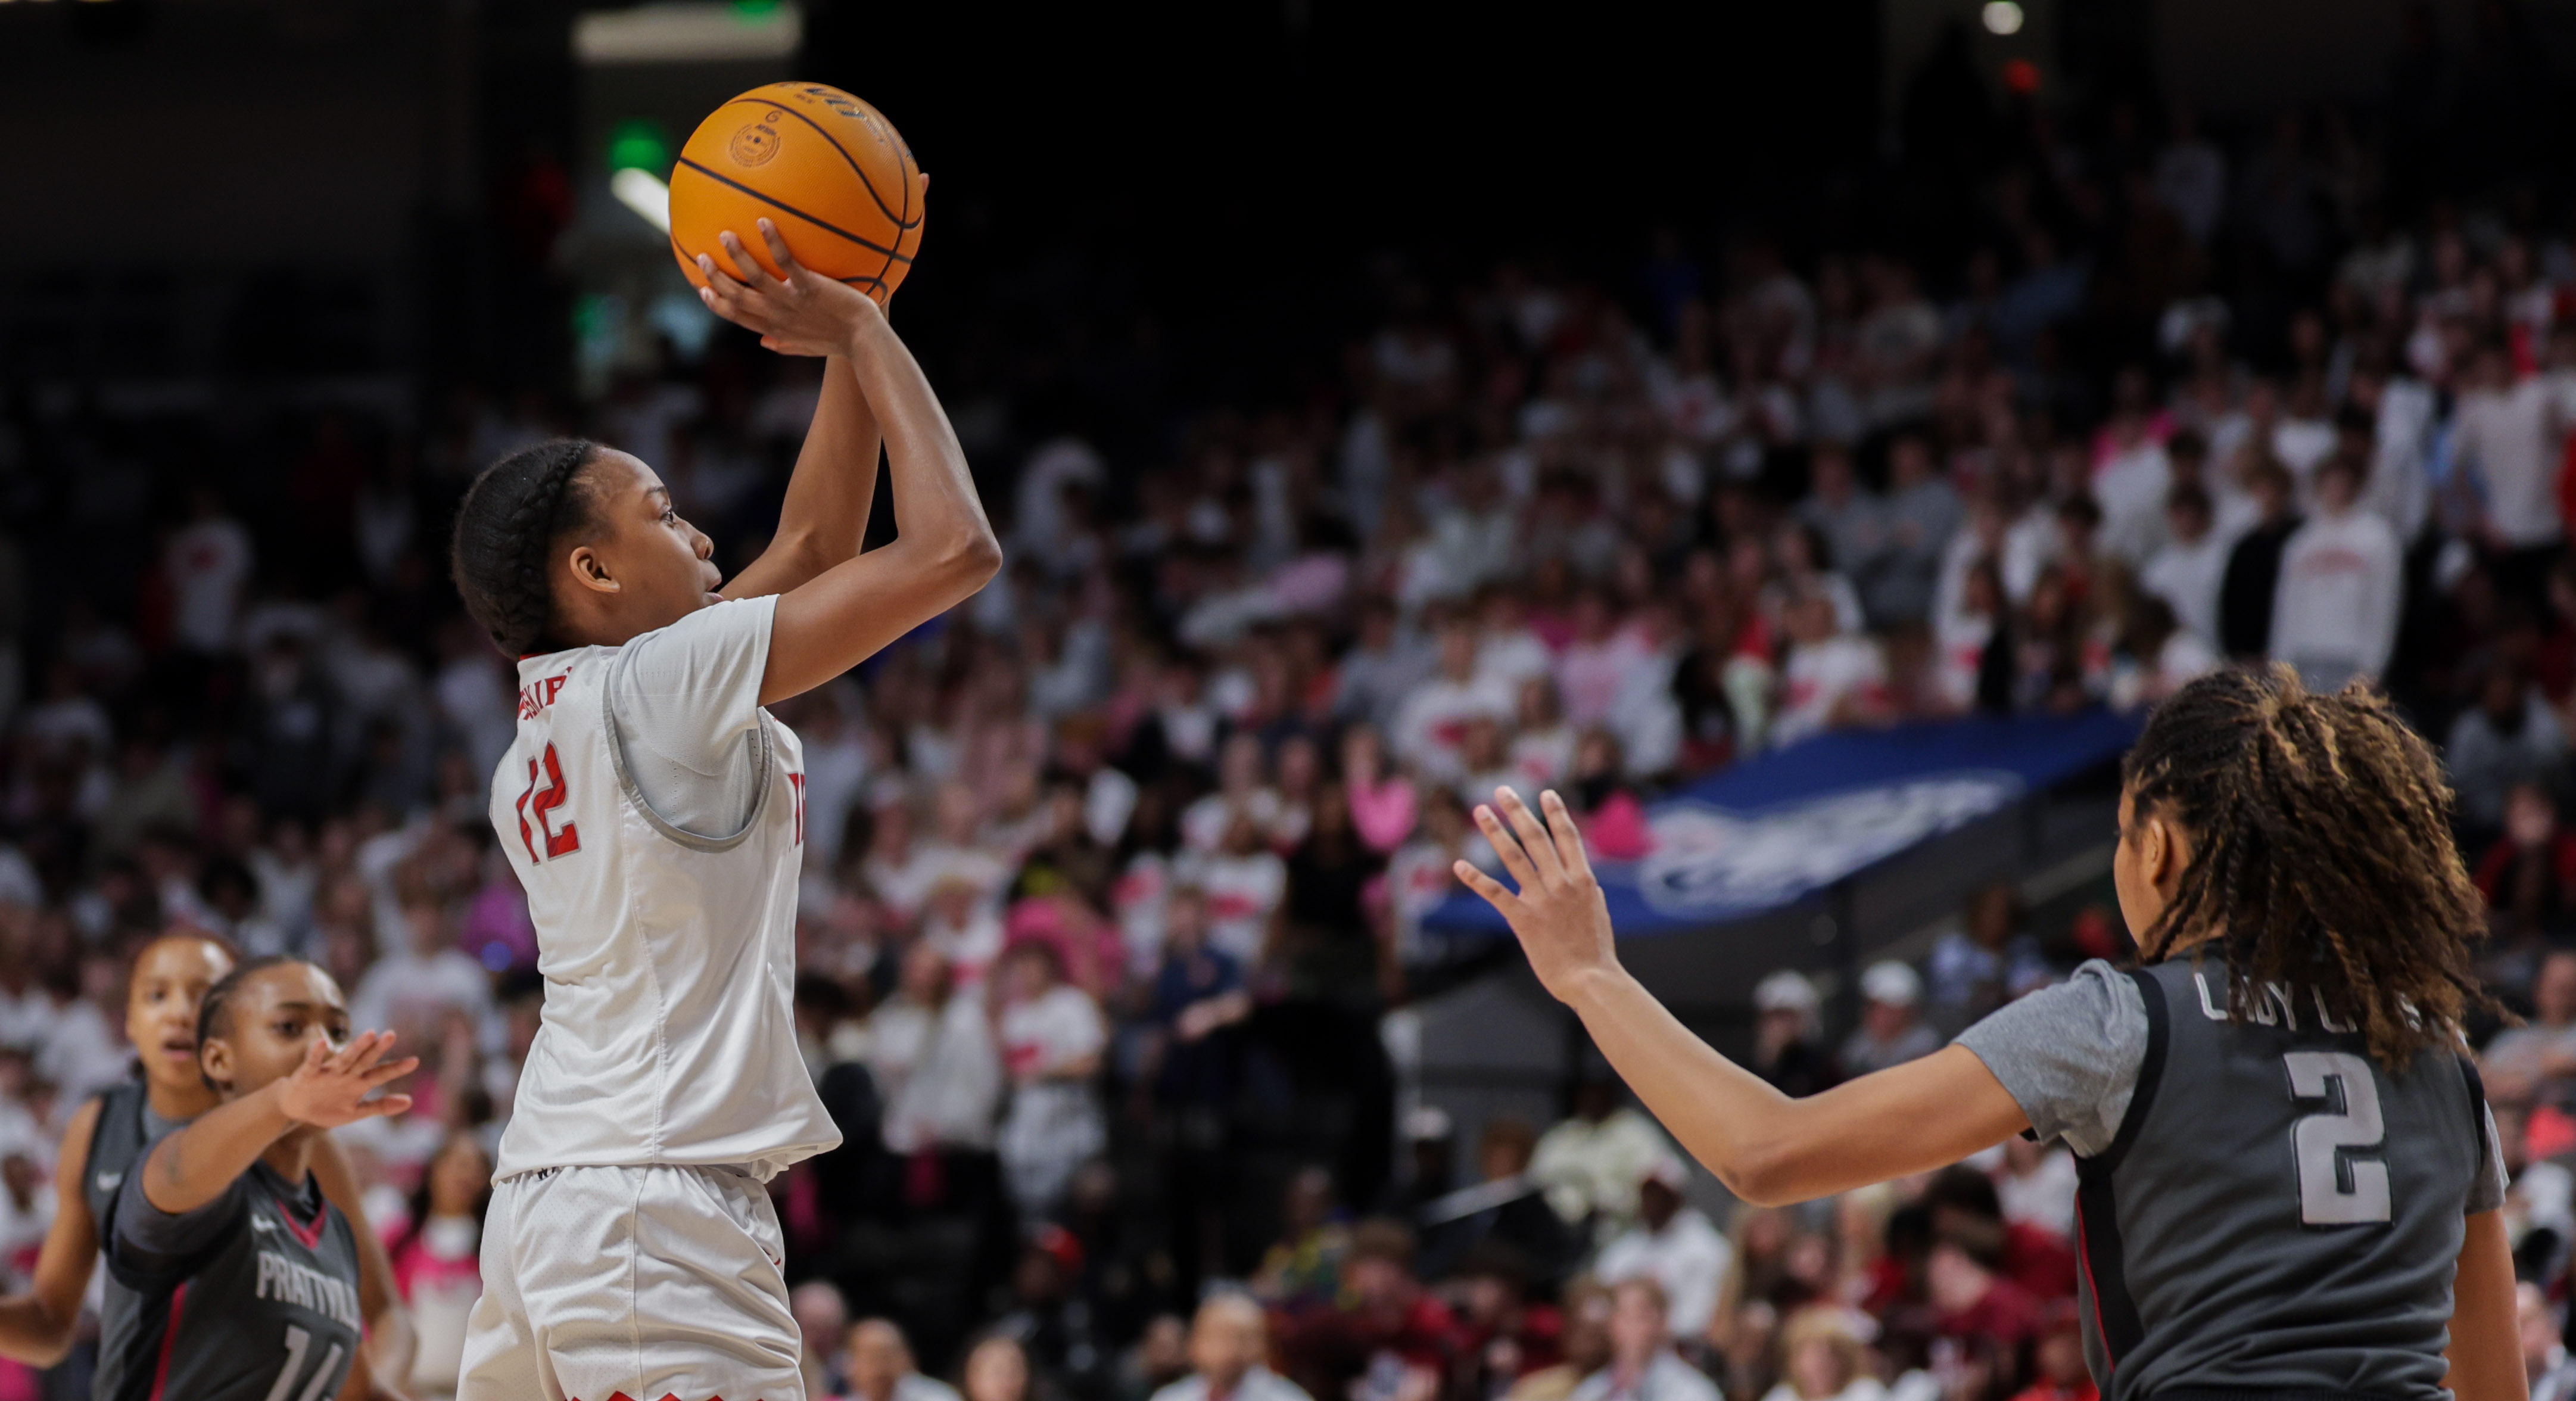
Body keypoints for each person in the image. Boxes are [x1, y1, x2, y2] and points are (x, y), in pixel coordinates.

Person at [1453, 665, 2520, 1401]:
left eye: (2116, 834)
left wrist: (1592, 976)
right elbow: (2494, 1386)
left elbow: (1766, 1151)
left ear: (2154, 847)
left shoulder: (2121, 1020)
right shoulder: (2441, 1058)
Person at [451, 210, 1002, 1401]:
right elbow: (954, 548)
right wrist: (858, 323)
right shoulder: (658, 683)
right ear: (591, 574)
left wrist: (865, 327)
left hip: (549, 1204)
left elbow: (810, 544)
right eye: (658, 513)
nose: (697, 529)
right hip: (656, 1212)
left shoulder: (564, 714)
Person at [0, 932, 406, 1379]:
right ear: (129, 1019)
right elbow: (51, 1323)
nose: (179, 1012)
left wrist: (379, 1387)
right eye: (157, 995)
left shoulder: (297, 1134)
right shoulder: (96, 1127)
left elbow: (385, 1313)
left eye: (204, 996)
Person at [102, 955, 419, 1400]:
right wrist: (284, 1102)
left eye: (338, 1031)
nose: (325, 1046)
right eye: (290, 1027)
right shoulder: (183, 1170)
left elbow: (361, 1389)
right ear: (217, 1059)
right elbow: (175, 1169)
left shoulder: (332, 1231)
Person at [393, 1130, 494, 1401]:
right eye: (456, 1164)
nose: (465, 1174)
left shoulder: (496, 1244)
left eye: (476, 1167)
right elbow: (379, 1316)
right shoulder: (399, 1241)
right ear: (432, 1172)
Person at [1591, 1154, 1732, 1338]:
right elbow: (1602, 1297)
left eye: (1660, 1194)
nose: (1652, 1200)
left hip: (1685, 1346)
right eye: (1647, 1193)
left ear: (1677, 1197)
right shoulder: (1624, 1248)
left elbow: (1701, 1316)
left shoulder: (1705, 1246)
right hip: (1624, 1343)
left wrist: (1650, 1329)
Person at [1565, 1277, 1720, 1401]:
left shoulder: (1692, 1390)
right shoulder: (1593, 1390)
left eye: (1640, 1317)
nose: (1632, 1328)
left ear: (1663, 1322)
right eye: (1624, 1315)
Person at [1149, 1293, 1313, 1401]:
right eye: (1219, 1335)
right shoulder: (1169, 1398)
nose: (1231, 1348)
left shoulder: (1288, 1398)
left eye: (1243, 1338)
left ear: (1264, 1345)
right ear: (1194, 1343)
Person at [1838, 962, 1943, 1076]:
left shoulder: (1925, 1044)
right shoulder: (1857, 1047)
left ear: (1910, 1012)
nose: (1882, 1017)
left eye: (1891, 1011)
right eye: (1876, 1007)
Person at [845, 1317, 964, 1401]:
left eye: (886, 1357)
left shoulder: (937, 1397)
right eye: (869, 1358)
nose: (878, 1367)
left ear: (908, 1358)